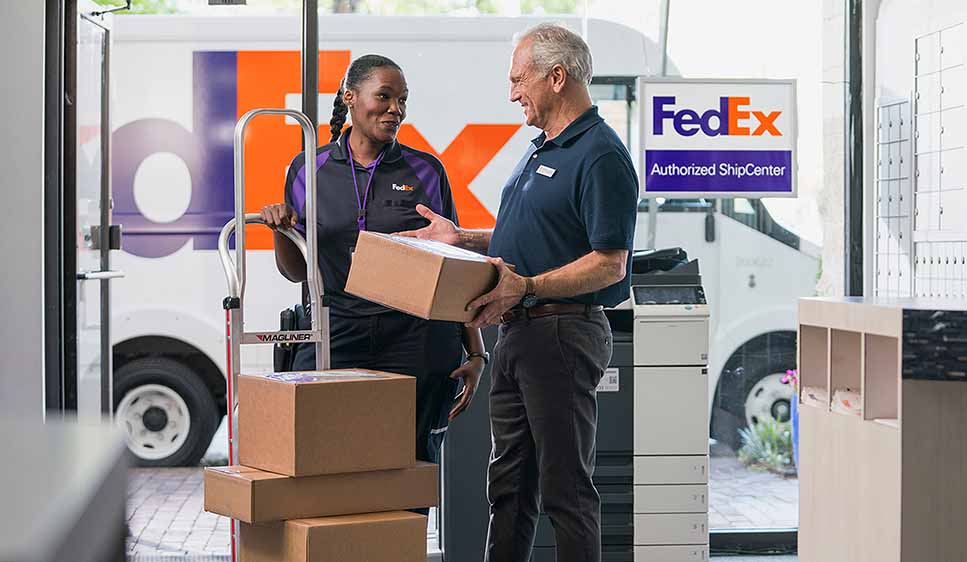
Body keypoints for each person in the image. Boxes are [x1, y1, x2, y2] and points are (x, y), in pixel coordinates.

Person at [397, 24, 638, 562]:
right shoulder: (540, 151)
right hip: (519, 333)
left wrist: (525, 286)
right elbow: (526, 233)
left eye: (518, 79)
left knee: (565, 491)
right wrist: (462, 238)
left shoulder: (600, 155)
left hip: (561, 332)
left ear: (557, 77)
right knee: (508, 489)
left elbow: (609, 262)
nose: (511, 93)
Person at [259, 54, 486, 472]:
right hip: (335, 329)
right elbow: (296, 271)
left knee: (408, 466)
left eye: (402, 100)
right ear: (350, 97)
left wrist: (476, 353)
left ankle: (399, 540)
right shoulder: (309, 168)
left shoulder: (425, 170)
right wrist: (279, 229)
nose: (395, 109)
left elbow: (454, 263)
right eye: (384, 96)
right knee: (320, 459)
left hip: (414, 335)